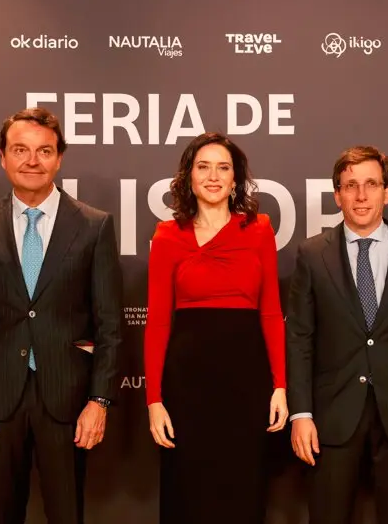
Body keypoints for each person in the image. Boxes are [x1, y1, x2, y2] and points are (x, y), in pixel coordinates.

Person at [0, 107, 123, 524]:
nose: (31, 160)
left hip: (68, 400)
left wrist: (99, 400)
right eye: (20, 149)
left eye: (44, 151)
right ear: (2, 157)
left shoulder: (94, 226)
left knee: (67, 515)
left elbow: (110, 324)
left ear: (59, 158)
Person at [286, 146, 388, 524]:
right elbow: (299, 338)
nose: (361, 196)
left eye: (371, 185)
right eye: (351, 186)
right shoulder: (311, 255)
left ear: (387, 192)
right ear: (338, 195)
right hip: (331, 416)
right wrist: (301, 413)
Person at [144, 132, 288, 524]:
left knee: (242, 489)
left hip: (247, 382)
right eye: (203, 166)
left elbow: (272, 314)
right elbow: (157, 322)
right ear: (188, 176)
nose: (213, 176)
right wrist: (154, 401)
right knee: (188, 493)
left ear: (235, 178)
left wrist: (280, 386)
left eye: (223, 167)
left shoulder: (259, 230)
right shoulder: (167, 235)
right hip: (186, 385)